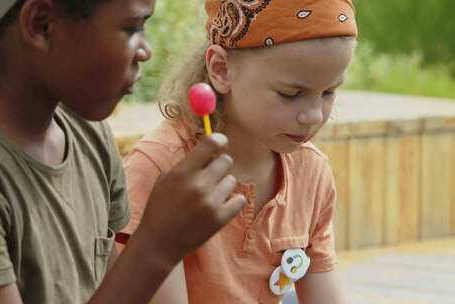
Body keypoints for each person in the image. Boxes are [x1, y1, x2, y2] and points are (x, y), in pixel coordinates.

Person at [0, 1, 246, 303]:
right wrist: (156, 247)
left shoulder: (86, 132)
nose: (145, 51)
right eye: (132, 28)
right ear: (42, 24)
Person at [118, 0, 358, 303]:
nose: (312, 115)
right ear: (221, 69)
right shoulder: (160, 167)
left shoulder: (310, 171)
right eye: (291, 94)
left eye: (328, 92)